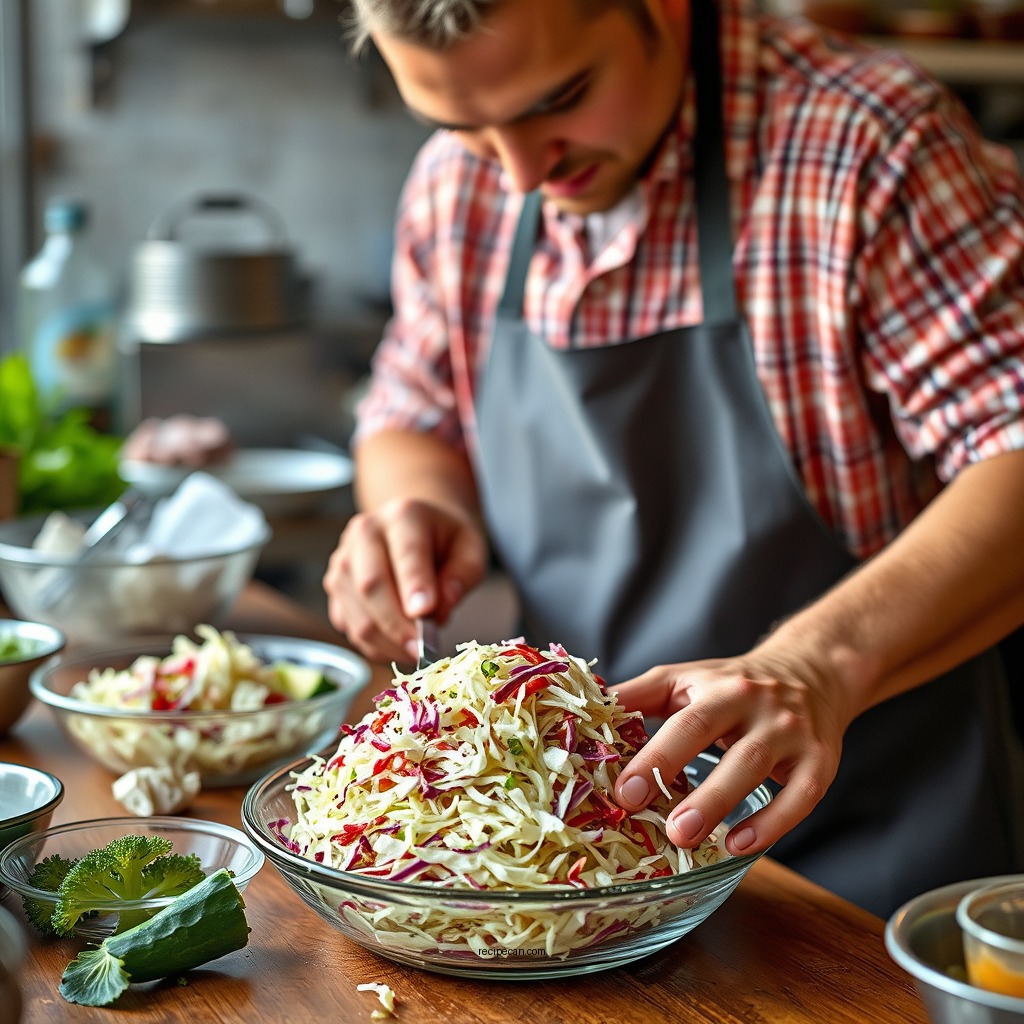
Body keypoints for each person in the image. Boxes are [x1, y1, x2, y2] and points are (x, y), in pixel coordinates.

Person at [323, 0, 1024, 917]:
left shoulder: (868, 145)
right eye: (463, 126)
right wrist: (422, 506)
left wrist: (817, 666)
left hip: (877, 851)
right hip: (575, 861)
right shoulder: (462, 184)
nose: (525, 173)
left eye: (561, 98)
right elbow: (414, 411)